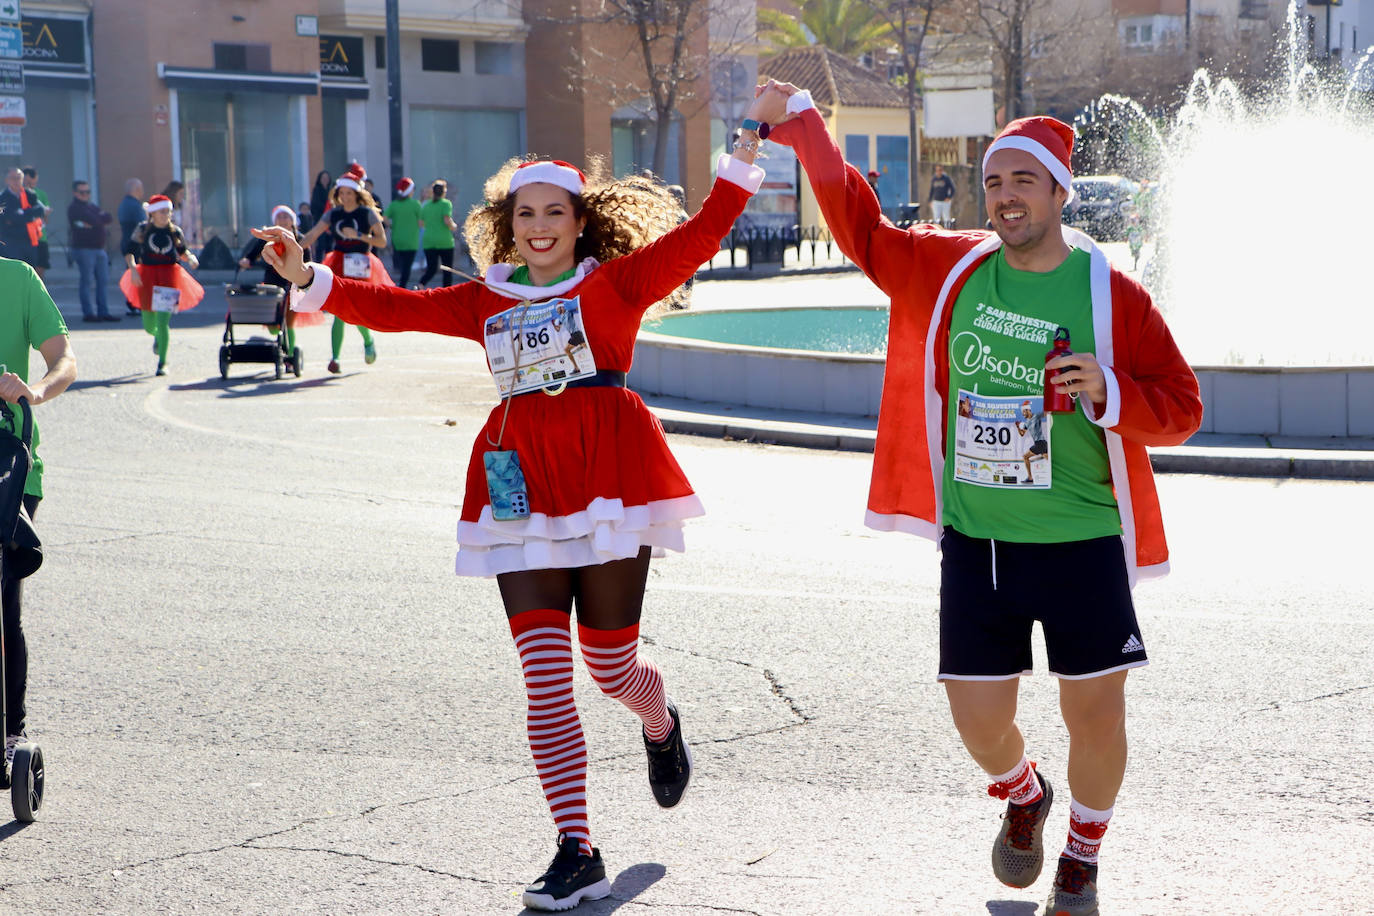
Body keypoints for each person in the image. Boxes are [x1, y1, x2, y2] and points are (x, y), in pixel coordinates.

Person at [254, 83, 784, 912]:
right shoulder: (488, 297)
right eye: (524, 214)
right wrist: (310, 276)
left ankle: (659, 718)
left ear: (580, 222)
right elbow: (396, 307)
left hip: (607, 476)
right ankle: (577, 850)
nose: (538, 226)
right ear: (510, 227)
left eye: (554, 213)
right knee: (544, 678)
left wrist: (749, 138)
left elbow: (704, 231)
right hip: (515, 481)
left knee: (610, 667)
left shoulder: (616, 286)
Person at [765, 84, 1202, 916]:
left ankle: (1082, 852)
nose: (1004, 196)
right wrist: (811, 130)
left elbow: (1183, 407)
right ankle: (1023, 792)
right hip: (980, 541)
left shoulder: (1113, 295)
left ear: (1058, 193)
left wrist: (1110, 389)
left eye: (1022, 182)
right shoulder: (951, 269)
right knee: (976, 720)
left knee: (1096, 710)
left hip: (1080, 537)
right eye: (994, 182)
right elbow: (863, 232)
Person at [0, 254, 77, 769]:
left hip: (8, 464)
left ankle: (10, 733)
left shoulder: (18, 278)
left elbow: (64, 359)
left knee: (4, 598)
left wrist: (35, 391)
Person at [297, 171, 386, 374]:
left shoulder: (367, 213)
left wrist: (360, 236)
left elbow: (381, 241)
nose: (345, 197)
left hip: (361, 265)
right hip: (338, 264)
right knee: (339, 312)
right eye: (342, 193)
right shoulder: (333, 214)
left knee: (356, 311)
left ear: (356, 193)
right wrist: (293, 248)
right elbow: (313, 234)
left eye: (349, 193)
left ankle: (368, 339)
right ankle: (335, 358)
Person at [119, 194, 204, 376]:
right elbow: (129, 251)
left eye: (169, 211)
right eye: (163, 211)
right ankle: (157, 337)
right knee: (149, 325)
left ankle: (163, 362)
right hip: (147, 275)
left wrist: (190, 258)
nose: (167, 215)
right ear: (153, 213)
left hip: (169, 276)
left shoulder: (175, 232)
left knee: (163, 321)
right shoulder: (142, 229)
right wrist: (133, 270)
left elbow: (182, 251)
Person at [238, 205, 325, 358]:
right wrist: (247, 260)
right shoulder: (270, 238)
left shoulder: (300, 239)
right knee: (273, 323)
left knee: (289, 321)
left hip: (294, 284)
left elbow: (309, 263)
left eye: (286, 217)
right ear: (275, 221)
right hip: (273, 283)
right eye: (280, 217)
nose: (283, 220)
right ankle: (282, 345)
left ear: (293, 221)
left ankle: (291, 355)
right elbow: (253, 254)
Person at [66, 180, 117, 322]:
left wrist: (95, 221)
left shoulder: (91, 206)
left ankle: (103, 311)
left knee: (103, 281)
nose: (85, 195)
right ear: (75, 193)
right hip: (84, 250)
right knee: (87, 281)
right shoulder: (74, 208)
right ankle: (88, 313)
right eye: (82, 192)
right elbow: (96, 220)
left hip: (100, 250)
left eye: (87, 192)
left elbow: (107, 218)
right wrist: (97, 220)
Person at [0, 168, 45, 274]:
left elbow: (40, 210)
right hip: (11, 243)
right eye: (13, 178)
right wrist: (28, 215)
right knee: (14, 273)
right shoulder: (2, 198)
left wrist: (22, 214)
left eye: (19, 178)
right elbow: (9, 217)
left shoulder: (30, 194)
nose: (16, 181)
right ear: (7, 180)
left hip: (29, 242)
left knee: (30, 272)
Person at [417, 179, 458, 288]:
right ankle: (447, 292)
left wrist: (431, 227)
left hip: (429, 240)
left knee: (431, 269)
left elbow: (420, 223)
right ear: (444, 192)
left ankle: (420, 285)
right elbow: (446, 220)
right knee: (447, 269)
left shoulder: (426, 205)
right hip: (445, 241)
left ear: (433, 192)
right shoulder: (446, 204)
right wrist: (454, 227)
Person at [383, 177, 422, 289]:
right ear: (409, 191)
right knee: (407, 267)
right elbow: (421, 222)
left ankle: (399, 285)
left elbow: (384, 217)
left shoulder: (394, 204)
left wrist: (391, 225)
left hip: (397, 239)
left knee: (401, 265)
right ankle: (402, 287)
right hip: (411, 240)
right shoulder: (416, 204)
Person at [117, 179, 146, 316]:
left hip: (127, 243)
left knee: (132, 273)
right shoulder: (134, 205)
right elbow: (143, 225)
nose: (142, 192)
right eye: (140, 189)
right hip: (135, 245)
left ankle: (132, 303)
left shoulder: (124, 204)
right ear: (135, 190)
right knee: (136, 274)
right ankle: (134, 303)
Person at [19, 167, 52, 281]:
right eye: (27, 181)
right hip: (23, 239)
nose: (30, 184)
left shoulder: (40, 194)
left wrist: (45, 214)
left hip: (40, 238)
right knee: (25, 269)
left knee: (40, 268)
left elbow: (46, 218)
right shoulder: (15, 194)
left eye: (33, 181)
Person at [929, 163, 956, 227]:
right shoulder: (934, 179)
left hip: (945, 201)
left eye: (940, 170)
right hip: (936, 201)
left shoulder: (946, 178)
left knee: (946, 218)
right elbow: (932, 190)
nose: (938, 172)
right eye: (937, 170)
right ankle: (936, 232)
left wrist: (949, 197)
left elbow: (953, 188)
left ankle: (948, 231)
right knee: (936, 218)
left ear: (942, 170)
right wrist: (930, 200)